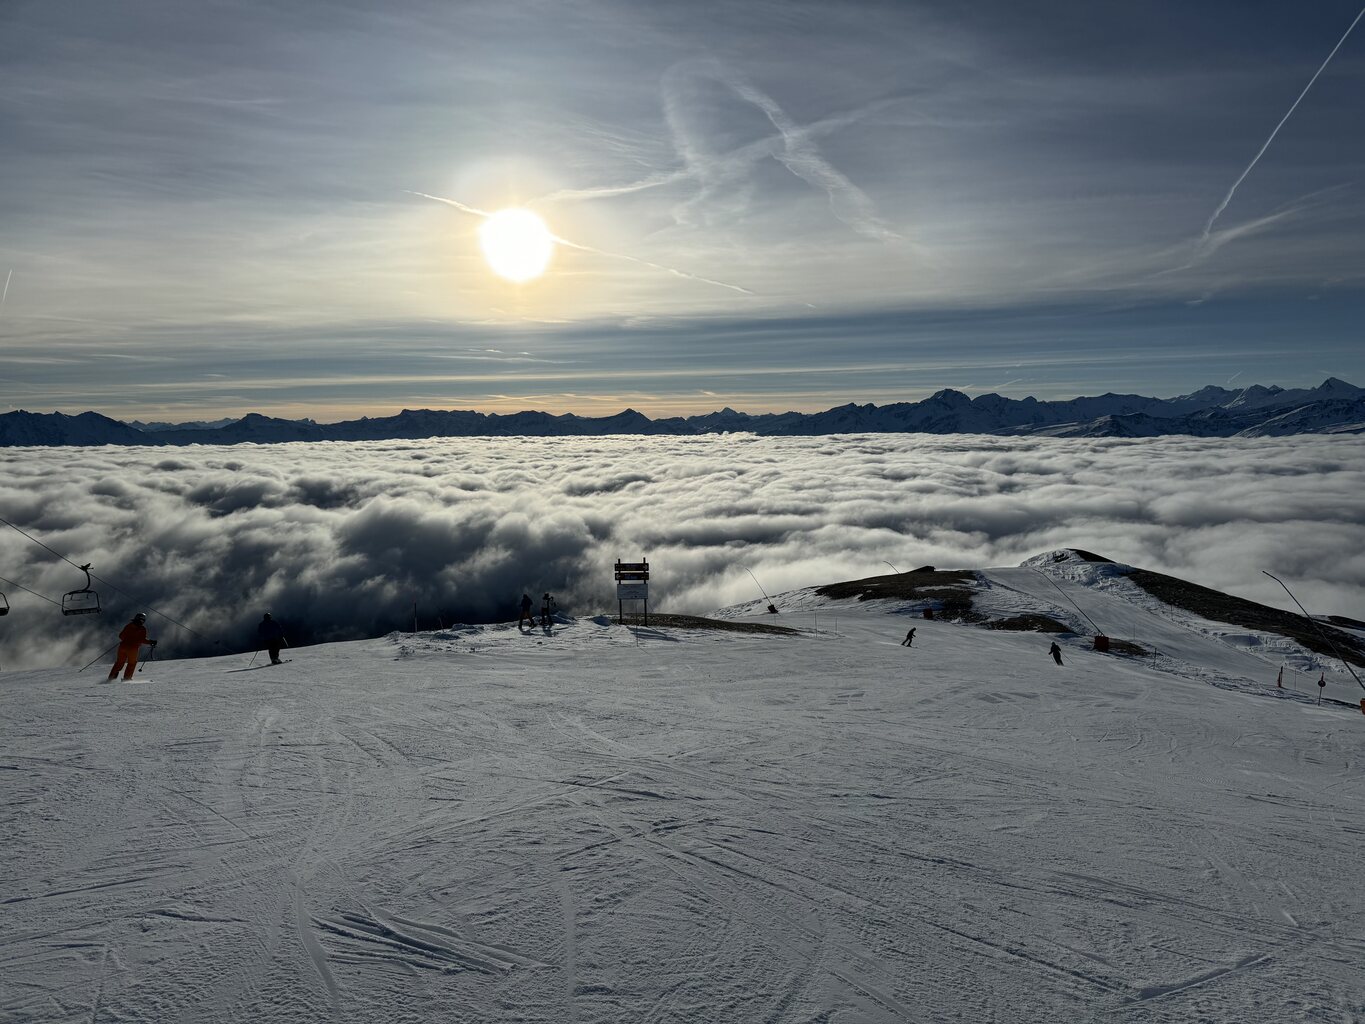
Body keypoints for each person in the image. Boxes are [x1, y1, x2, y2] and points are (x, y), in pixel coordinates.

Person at [108, 612, 155, 680]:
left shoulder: (129, 626)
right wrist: (151, 642)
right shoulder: (142, 628)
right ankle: (127, 678)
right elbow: (142, 640)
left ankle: (111, 677)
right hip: (133, 649)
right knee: (131, 663)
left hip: (122, 647)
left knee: (119, 662)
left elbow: (121, 636)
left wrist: (127, 639)